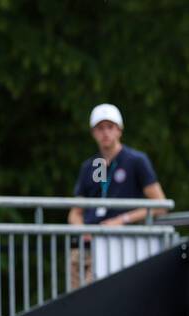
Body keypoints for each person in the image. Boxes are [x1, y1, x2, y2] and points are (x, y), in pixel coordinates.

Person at [68, 103, 166, 289]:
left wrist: (122, 220)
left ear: (119, 130)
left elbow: (160, 204)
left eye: (110, 127)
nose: (105, 133)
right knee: (74, 297)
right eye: (100, 128)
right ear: (93, 133)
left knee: (94, 294)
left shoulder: (136, 161)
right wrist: (83, 230)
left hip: (119, 245)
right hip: (88, 245)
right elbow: (75, 212)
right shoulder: (90, 166)